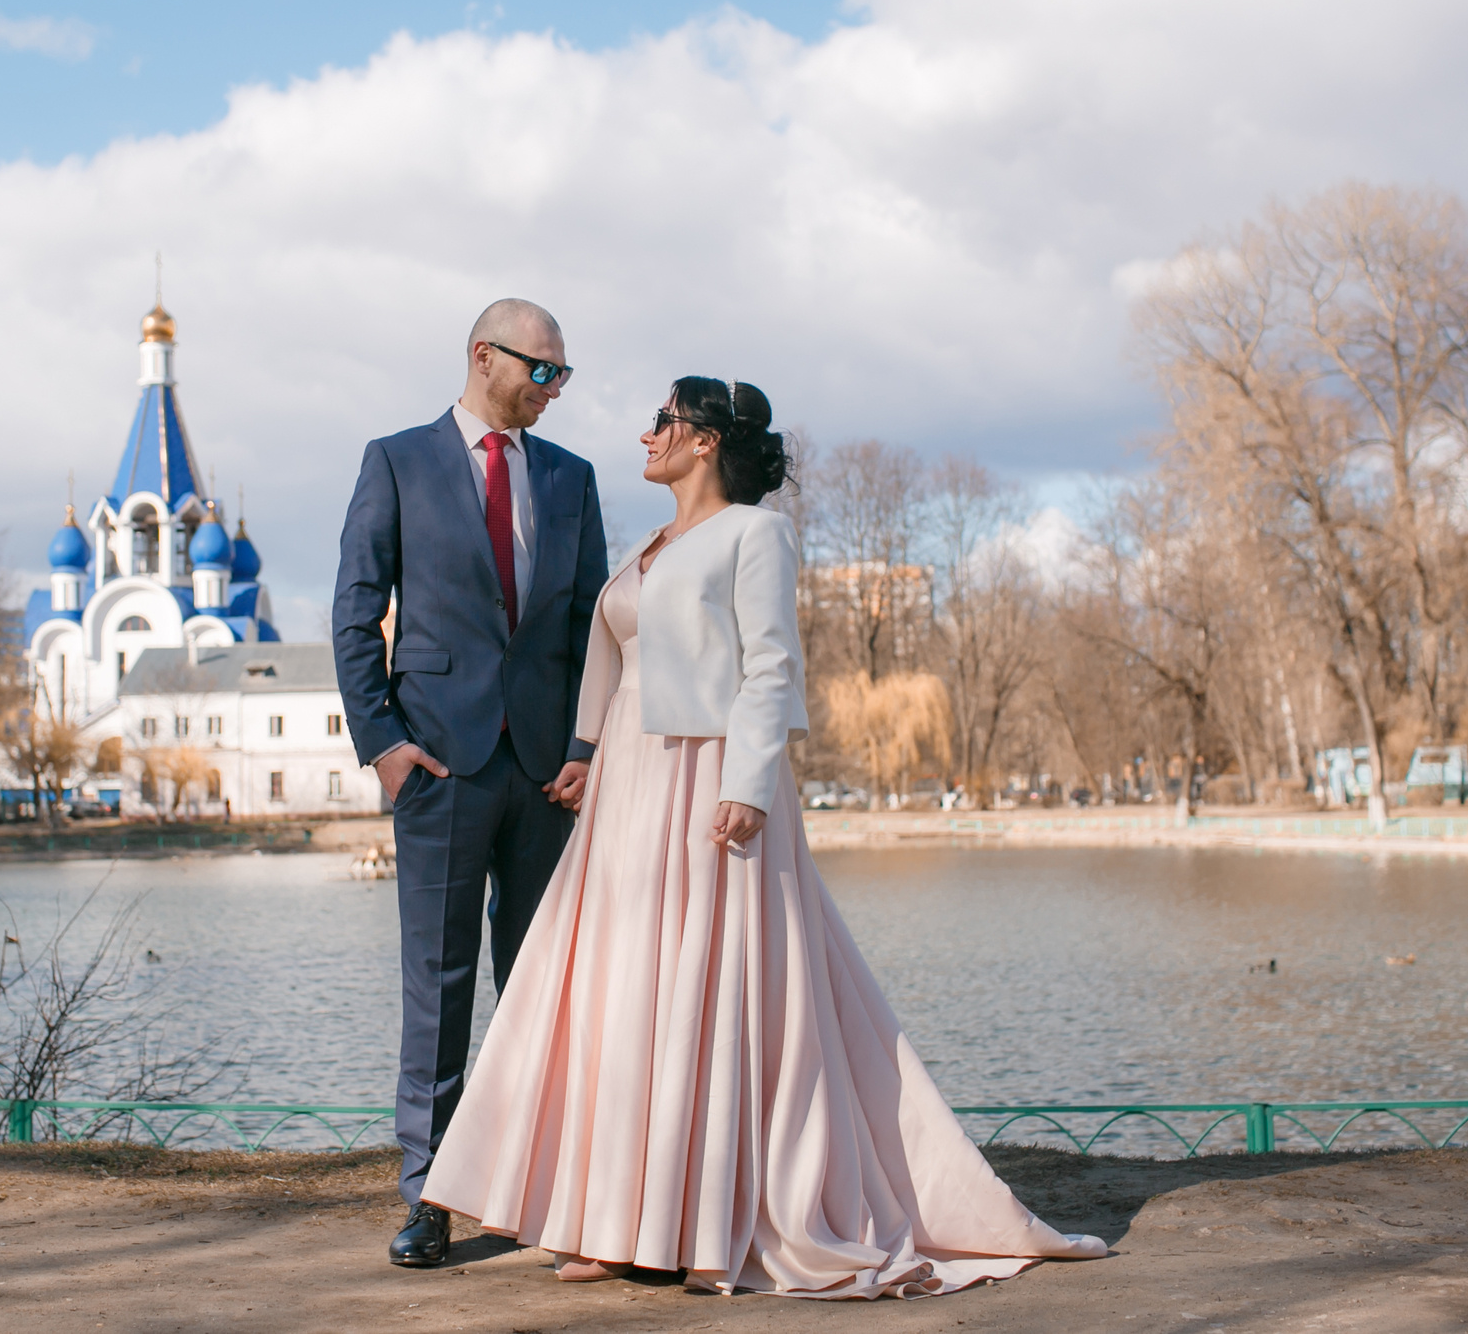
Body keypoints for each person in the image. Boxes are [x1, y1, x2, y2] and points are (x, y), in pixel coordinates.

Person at [420, 377, 1107, 1298]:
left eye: (662, 421)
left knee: (701, 986)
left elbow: (773, 664)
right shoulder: (651, 545)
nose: (645, 434)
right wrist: (583, 752)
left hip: (709, 780)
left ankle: (688, 1224)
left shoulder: (756, 535)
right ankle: (609, 1214)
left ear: (704, 441)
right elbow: (609, 657)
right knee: (623, 985)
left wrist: (748, 786)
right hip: (629, 784)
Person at [331, 298, 611, 1268]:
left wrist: (587, 743)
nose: (554, 391)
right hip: (439, 766)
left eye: (563, 376)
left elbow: (589, 631)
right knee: (439, 989)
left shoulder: (572, 481)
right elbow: (355, 612)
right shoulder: (396, 462)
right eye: (543, 371)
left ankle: (543, 1188)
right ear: (484, 357)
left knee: (541, 988)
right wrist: (385, 745)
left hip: (545, 774)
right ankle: (431, 1197)